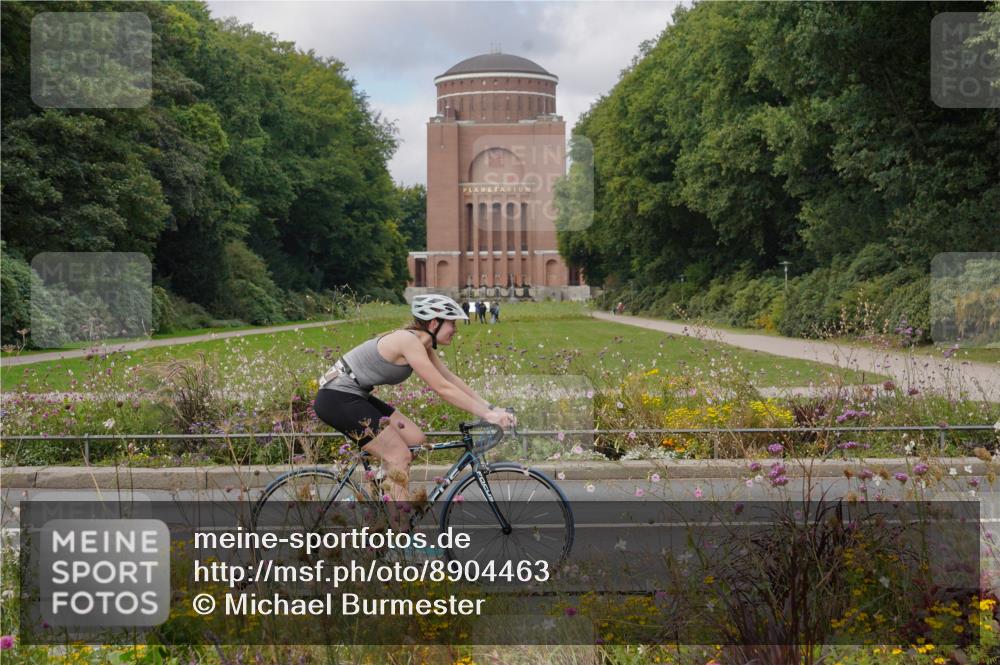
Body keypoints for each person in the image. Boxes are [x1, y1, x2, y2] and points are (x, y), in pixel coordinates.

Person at [313, 294, 516, 525]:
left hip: (354, 395)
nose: (456, 329)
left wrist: (491, 408)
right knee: (399, 455)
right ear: (434, 323)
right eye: (452, 323)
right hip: (336, 398)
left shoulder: (422, 344)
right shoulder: (407, 341)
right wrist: (489, 416)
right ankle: (401, 539)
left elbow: (450, 379)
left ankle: (379, 495)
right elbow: (442, 388)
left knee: (415, 438)